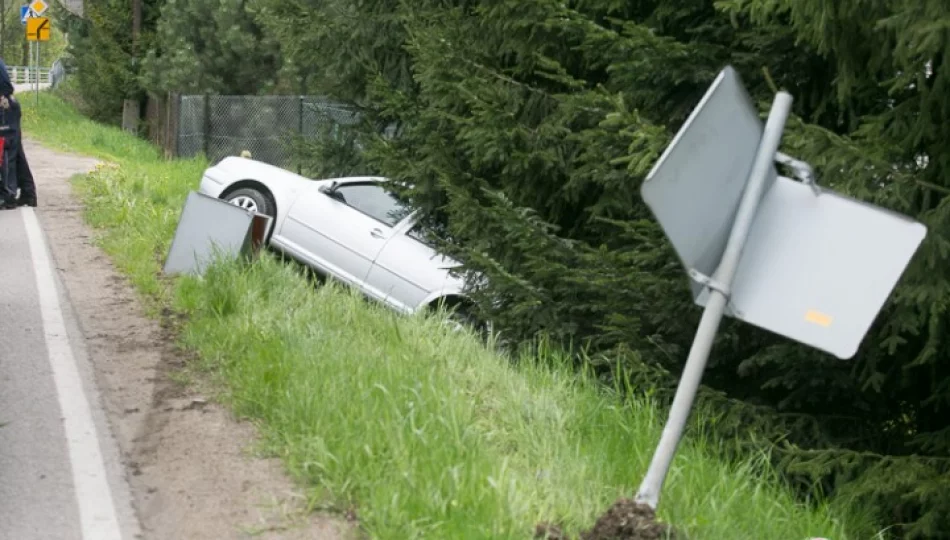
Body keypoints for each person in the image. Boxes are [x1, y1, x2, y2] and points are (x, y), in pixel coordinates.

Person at [0, 58, 36, 209]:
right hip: (9, 108)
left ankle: (8, 195)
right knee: (15, 150)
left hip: (4, 107)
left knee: (6, 149)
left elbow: (5, 86)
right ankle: (28, 194)